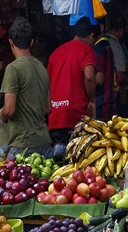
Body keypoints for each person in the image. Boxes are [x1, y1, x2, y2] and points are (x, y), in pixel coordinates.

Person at [0, 17, 52, 158]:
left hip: (22, 146)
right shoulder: (42, 68)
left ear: (11, 43)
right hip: (44, 144)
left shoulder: (13, 69)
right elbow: (48, 108)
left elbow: (9, 110)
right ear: (31, 42)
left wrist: (1, 115)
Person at [47, 18, 98, 156]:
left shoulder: (55, 53)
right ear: (91, 36)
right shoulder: (86, 51)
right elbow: (89, 75)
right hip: (76, 117)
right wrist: (92, 100)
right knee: (77, 164)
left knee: (57, 166)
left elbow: (47, 85)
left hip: (55, 119)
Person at [94, 16, 128, 120]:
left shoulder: (99, 44)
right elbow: (119, 76)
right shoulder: (113, 46)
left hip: (98, 100)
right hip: (107, 100)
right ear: (121, 30)